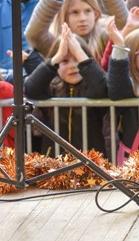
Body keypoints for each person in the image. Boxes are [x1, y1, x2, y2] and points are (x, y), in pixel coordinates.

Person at [25, 25, 108, 153]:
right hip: (55, 163)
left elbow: (101, 88)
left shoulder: (92, 86)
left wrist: (80, 52)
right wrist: (57, 57)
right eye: (65, 61)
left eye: (77, 59)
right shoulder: (51, 87)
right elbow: (31, 88)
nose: (72, 66)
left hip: (90, 163)